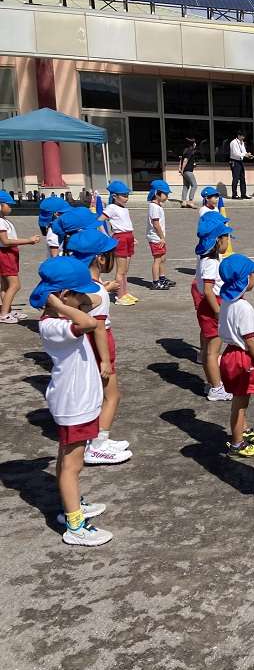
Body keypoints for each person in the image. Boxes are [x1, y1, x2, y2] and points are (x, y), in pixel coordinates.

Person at [30, 257, 113, 546]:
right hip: (73, 403)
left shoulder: (63, 315)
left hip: (79, 400)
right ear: (64, 296)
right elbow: (89, 322)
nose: (85, 300)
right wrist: (59, 303)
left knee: (67, 457)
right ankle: (75, 524)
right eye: (79, 294)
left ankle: (72, 503)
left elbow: (93, 302)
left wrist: (66, 299)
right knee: (71, 465)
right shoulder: (53, 325)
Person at [64, 228, 134, 466]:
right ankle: (97, 445)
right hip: (100, 344)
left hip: (84, 345)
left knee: (98, 394)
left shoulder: (77, 285)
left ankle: (97, 439)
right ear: (100, 258)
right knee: (112, 396)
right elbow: (100, 328)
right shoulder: (98, 292)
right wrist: (105, 359)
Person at [218, 254, 254, 458]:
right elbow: (250, 341)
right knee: (240, 403)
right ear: (245, 279)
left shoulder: (226, 301)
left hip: (230, 354)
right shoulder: (244, 307)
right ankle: (237, 443)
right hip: (242, 358)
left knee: (240, 399)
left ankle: (243, 430)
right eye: (252, 273)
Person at [192, 212, 234, 403]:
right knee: (212, 351)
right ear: (218, 240)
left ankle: (212, 382)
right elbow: (209, 290)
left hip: (210, 306)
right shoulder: (210, 262)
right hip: (212, 306)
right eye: (226, 238)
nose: (228, 242)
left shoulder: (209, 258)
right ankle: (216, 388)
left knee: (210, 349)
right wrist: (218, 312)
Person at [0, 190, 42, 324]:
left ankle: (7, 309)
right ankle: (4, 314)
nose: (10, 208)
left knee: (6, 285)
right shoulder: (1, 222)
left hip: (8, 253)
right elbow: (5, 241)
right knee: (15, 285)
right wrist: (28, 240)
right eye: (8, 205)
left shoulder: (3, 220)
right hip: (6, 253)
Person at [101, 181, 139, 307]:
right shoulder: (111, 208)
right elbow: (99, 221)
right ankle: (119, 296)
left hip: (128, 237)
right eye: (123, 195)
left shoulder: (124, 208)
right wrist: (106, 236)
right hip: (120, 238)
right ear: (114, 196)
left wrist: (133, 238)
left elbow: (126, 224)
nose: (126, 198)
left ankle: (124, 292)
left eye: (127, 195)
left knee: (125, 270)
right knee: (120, 271)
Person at [146, 180, 175, 290]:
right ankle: (155, 282)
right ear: (157, 193)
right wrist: (162, 237)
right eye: (165, 194)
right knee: (157, 260)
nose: (167, 196)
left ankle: (162, 278)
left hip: (159, 237)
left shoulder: (157, 206)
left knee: (163, 258)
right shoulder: (153, 207)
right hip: (156, 238)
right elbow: (156, 224)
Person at [229, 131, 253, 200]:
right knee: (235, 178)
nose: (243, 138)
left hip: (240, 161)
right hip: (234, 161)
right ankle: (234, 195)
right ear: (239, 136)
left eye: (244, 136)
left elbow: (244, 151)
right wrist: (245, 154)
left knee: (242, 178)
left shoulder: (242, 143)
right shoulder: (233, 142)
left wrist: (248, 155)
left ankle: (243, 194)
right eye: (242, 136)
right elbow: (235, 153)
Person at [179, 137, 200, 207]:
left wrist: (181, 169)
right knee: (194, 185)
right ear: (193, 144)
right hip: (188, 171)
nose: (195, 144)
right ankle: (190, 201)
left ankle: (183, 202)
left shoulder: (185, 150)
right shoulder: (190, 151)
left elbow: (181, 160)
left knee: (186, 186)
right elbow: (185, 160)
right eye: (195, 143)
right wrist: (182, 169)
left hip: (185, 171)